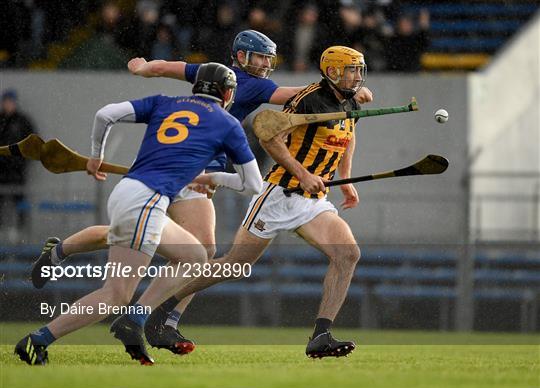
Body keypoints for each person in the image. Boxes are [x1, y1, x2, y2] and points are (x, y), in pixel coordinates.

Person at [31, 30, 374, 354]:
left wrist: (144, 69)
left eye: (269, 59)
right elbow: (299, 96)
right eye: (260, 58)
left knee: (174, 243)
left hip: (190, 168)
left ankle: (74, 258)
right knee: (185, 248)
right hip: (201, 170)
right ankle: (150, 313)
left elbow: (168, 67)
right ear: (240, 57)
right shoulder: (252, 89)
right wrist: (342, 88)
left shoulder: (203, 76)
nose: (266, 65)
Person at [111, 45, 366, 359]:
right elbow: (269, 136)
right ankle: (158, 309)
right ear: (333, 71)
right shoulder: (307, 100)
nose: (357, 76)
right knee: (234, 265)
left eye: (359, 69)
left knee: (348, 254)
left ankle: (321, 335)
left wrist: (348, 179)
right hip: (279, 194)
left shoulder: (351, 101)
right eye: (351, 69)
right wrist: (301, 173)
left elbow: (347, 134)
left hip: (314, 201)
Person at [15, 62, 263, 366]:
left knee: (196, 256)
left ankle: (132, 317)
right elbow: (253, 184)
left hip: (131, 192)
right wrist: (214, 178)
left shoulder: (164, 102)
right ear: (227, 92)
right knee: (116, 294)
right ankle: (41, 339)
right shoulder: (227, 123)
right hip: (147, 200)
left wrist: (96, 156)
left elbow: (105, 114)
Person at [0, 89, 35, 239]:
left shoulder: (22, 121)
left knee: (19, 199)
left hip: (17, 170)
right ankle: (2, 230)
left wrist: (21, 161)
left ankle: (21, 232)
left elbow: (33, 143)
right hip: (1, 170)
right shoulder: (1, 120)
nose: (8, 105)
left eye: (10, 101)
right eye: (5, 101)